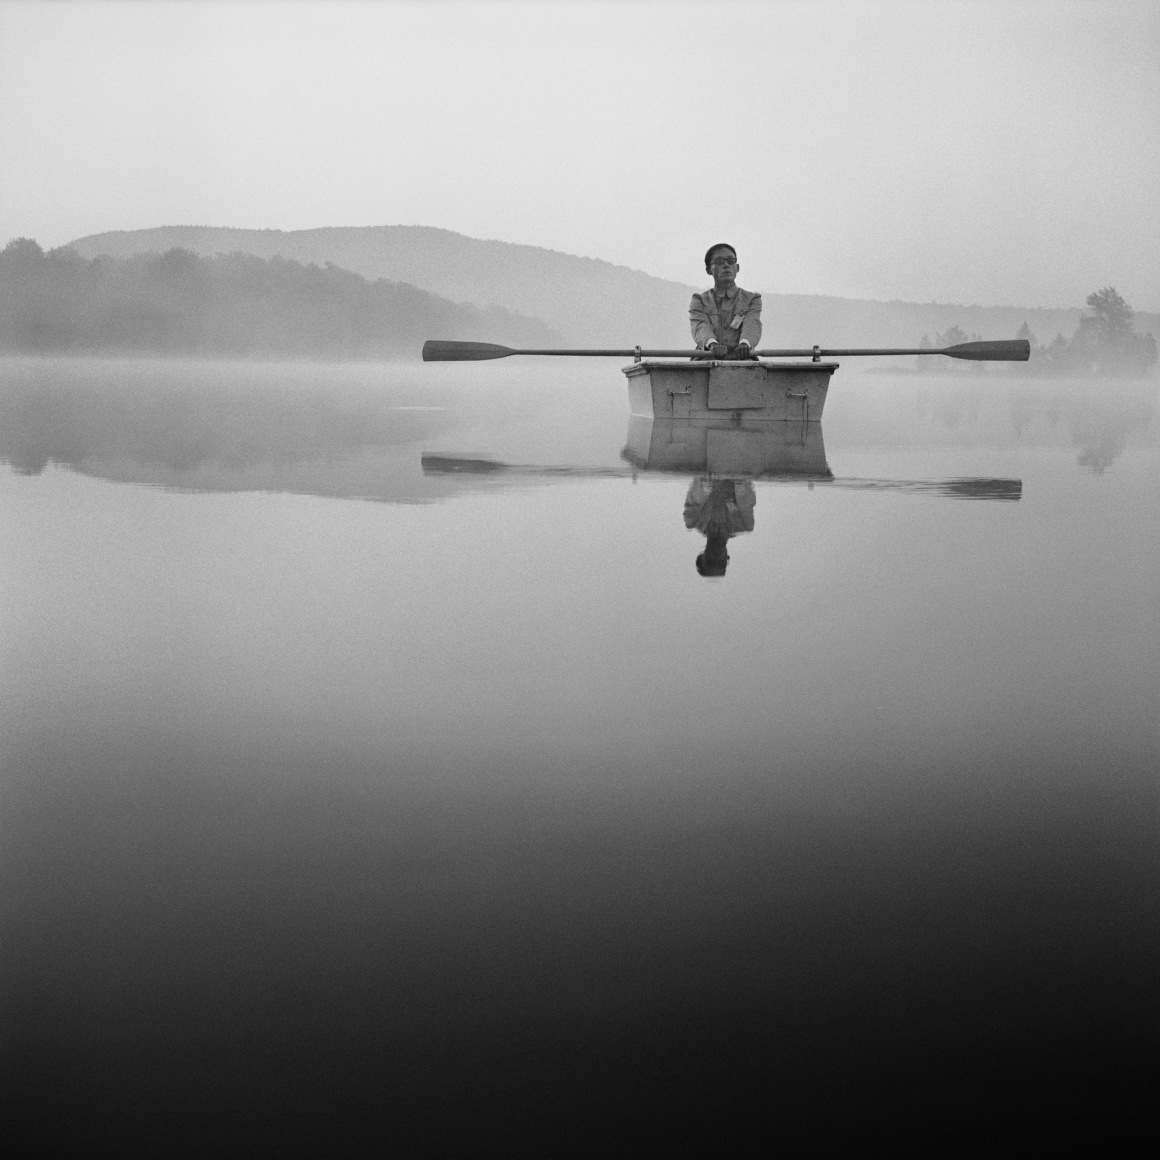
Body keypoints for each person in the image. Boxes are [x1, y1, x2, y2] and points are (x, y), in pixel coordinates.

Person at [689, 244, 762, 360]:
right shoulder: (699, 300)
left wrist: (745, 344)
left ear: (737, 268)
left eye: (730, 261)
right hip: (706, 359)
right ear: (709, 270)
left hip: (742, 360)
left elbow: (752, 324)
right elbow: (700, 326)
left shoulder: (752, 299)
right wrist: (712, 344)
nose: (726, 265)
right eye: (719, 261)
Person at [684, 476, 756, 576]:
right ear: (726, 557)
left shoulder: (694, 521)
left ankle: (705, 479)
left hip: (708, 471)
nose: (716, 557)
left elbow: (695, 497)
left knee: (690, 520)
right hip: (736, 473)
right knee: (748, 519)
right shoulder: (743, 524)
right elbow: (746, 502)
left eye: (710, 561)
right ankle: (740, 479)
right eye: (720, 562)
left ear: (703, 556)